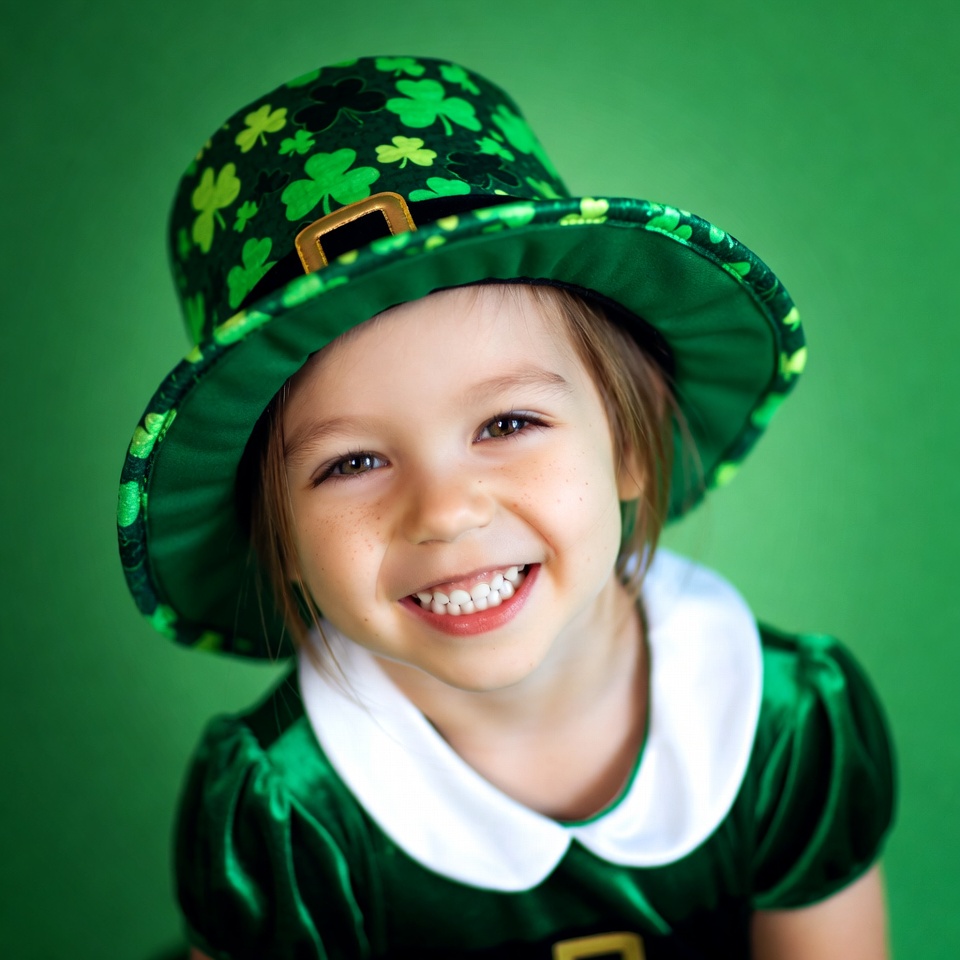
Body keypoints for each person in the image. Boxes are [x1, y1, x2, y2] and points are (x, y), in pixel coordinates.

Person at [117, 56, 895, 959]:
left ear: (630, 448)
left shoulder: (788, 721)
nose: (444, 512)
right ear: (281, 539)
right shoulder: (285, 813)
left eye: (508, 422)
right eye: (353, 461)